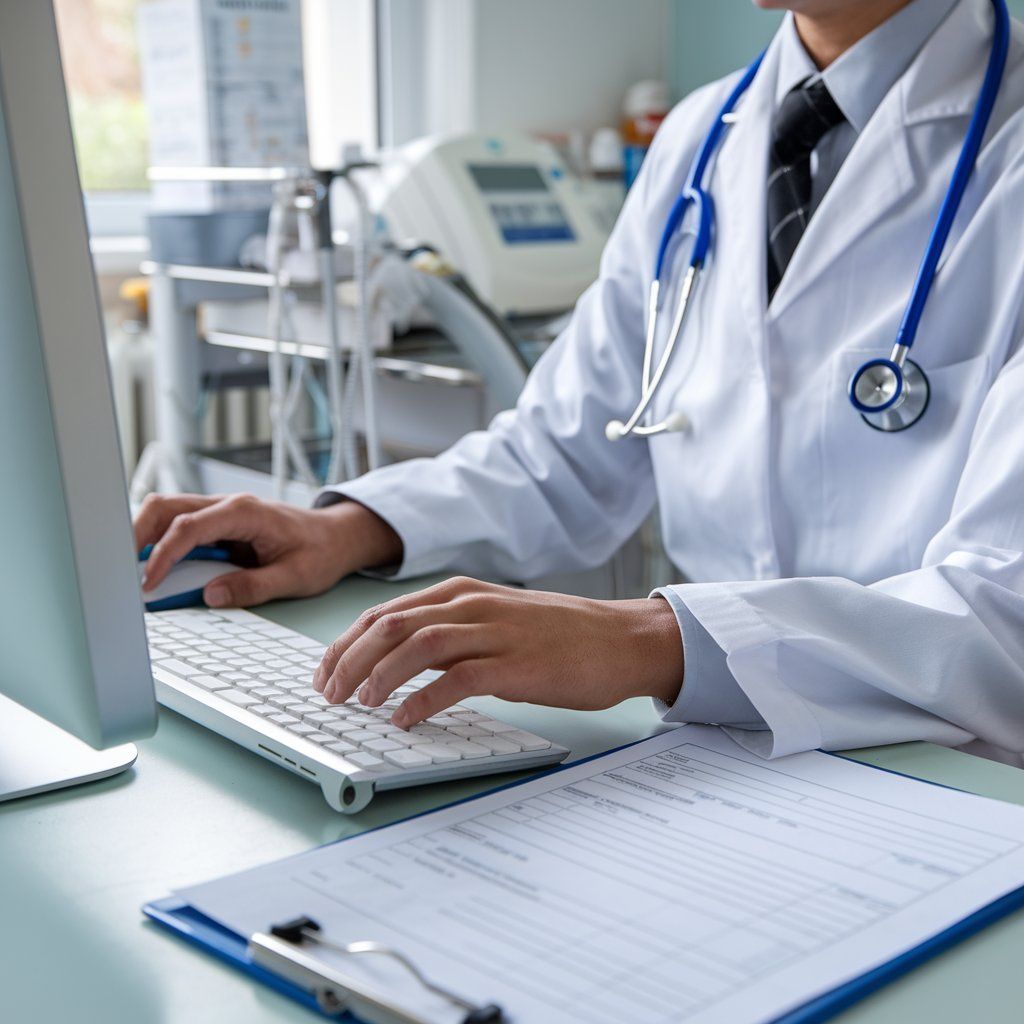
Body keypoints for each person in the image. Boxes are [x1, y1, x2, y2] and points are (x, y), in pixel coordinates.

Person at [136, 0, 1024, 765]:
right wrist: (348, 529)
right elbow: (563, 449)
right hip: (715, 759)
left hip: (952, 770)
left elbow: (1001, 613)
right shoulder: (699, 140)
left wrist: (654, 640)